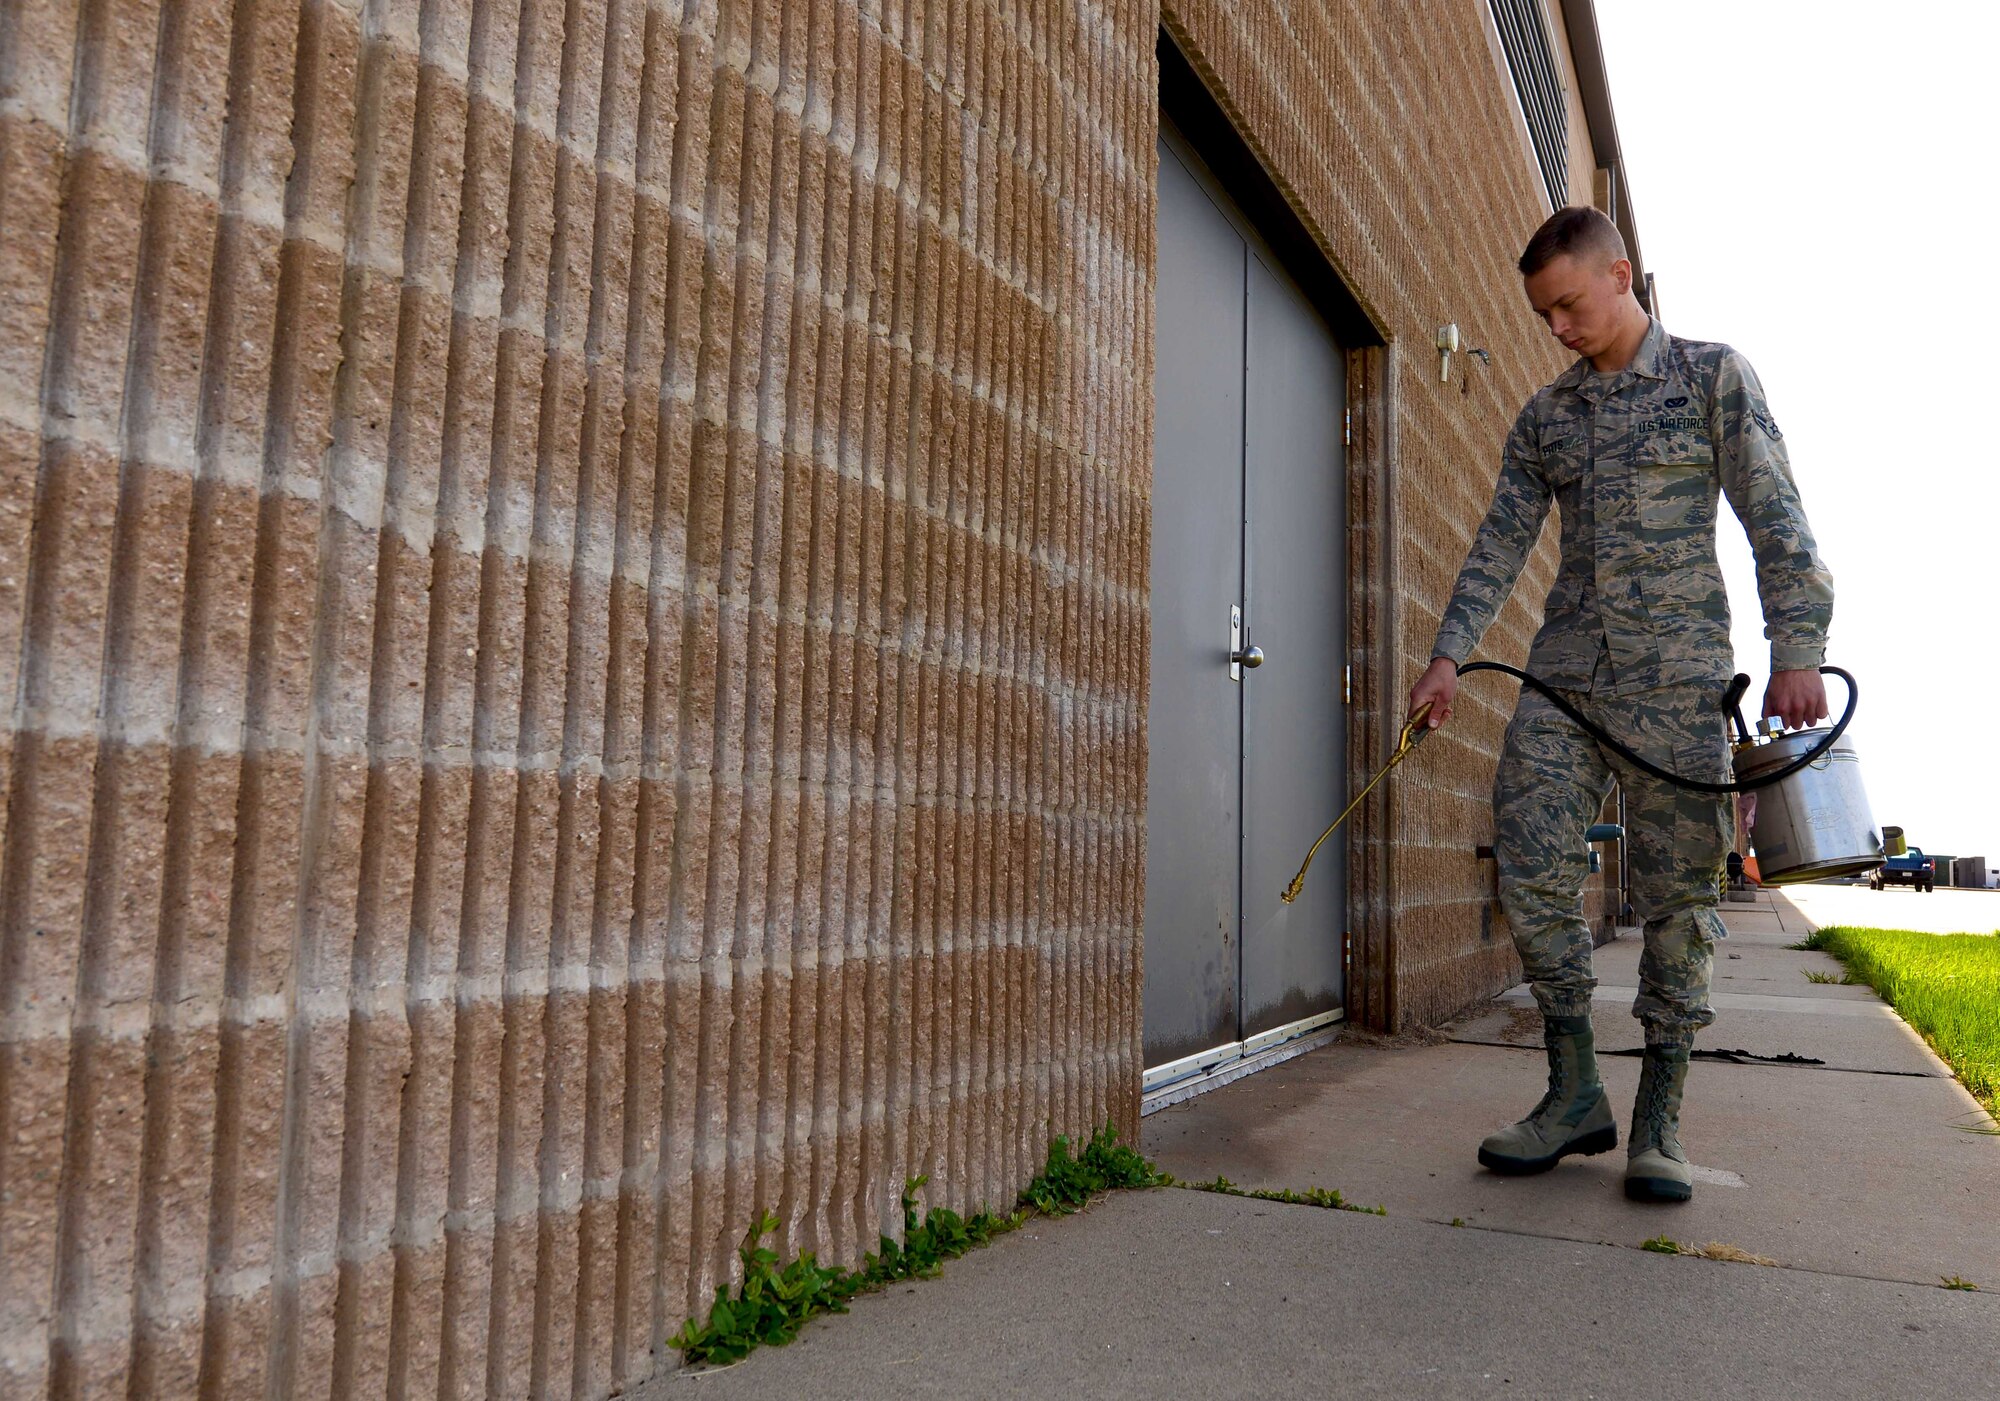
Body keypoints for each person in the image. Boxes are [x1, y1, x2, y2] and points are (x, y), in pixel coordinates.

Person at [1406, 206, 1834, 1203]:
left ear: (1618, 274)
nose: (1554, 328)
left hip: (1676, 679)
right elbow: (1498, 542)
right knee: (1528, 855)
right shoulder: (1546, 417)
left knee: (1679, 897)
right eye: (1539, 314)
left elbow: (1772, 511)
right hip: (1563, 675)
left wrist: (1797, 646)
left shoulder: (1707, 376)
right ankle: (1570, 1093)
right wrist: (1443, 659)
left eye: (1565, 305)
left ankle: (1659, 1122)